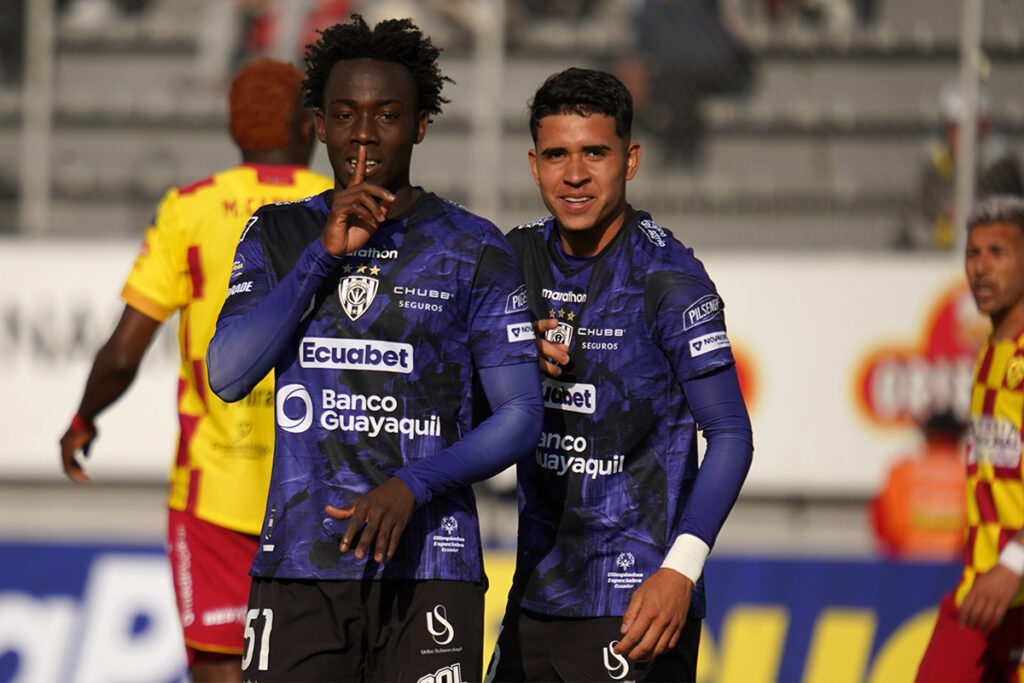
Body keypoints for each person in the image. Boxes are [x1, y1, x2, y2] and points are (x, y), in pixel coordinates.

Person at [205, 15, 543, 683]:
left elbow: (521, 415)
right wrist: (319, 259)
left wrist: (412, 485)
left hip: (430, 570)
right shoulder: (279, 233)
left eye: (387, 114)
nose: (364, 133)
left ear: (419, 125)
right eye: (346, 114)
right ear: (319, 125)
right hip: (302, 565)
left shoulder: (472, 247)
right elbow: (227, 372)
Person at [59, 59, 331, 682]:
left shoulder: (190, 209)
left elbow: (125, 351)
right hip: (317, 488)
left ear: (234, 128)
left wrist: (83, 419)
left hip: (216, 492)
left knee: (220, 671)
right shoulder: (336, 210)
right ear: (310, 126)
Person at [486, 67, 754, 682]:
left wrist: (680, 570)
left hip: (637, 604)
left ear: (629, 160)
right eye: (556, 155)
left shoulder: (670, 278)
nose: (574, 174)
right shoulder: (512, 259)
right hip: (534, 595)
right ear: (533, 164)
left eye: (595, 154)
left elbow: (732, 435)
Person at [916, 194, 1024, 683]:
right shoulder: (988, 353)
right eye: (973, 253)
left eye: (997, 253)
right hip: (978, 597)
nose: (980, 267)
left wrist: (1014, 563)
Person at [898, 82, 1024, 251]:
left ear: (984, 129)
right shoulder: (934, 165)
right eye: (955, 128)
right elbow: (921, 213)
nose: (962, 137)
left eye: (971, 128)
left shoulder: (1000, 165)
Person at [870, 411, 967, 560]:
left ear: (927, 434)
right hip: (959, 569)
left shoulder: (901, 471)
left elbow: (882, 523)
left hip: (908, 569)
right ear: (959, 437)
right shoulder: (971, 474)